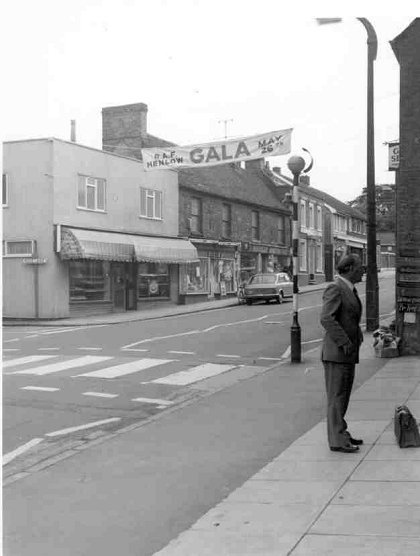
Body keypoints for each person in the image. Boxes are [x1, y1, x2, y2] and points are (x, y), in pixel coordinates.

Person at [320, 253, 365, 453]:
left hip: (346, 353)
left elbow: (349, 318)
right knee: (337, 397)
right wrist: (345, 341)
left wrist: (358, 337)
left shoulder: (349, 289)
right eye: (360, 267)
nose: (363, 270)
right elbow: (326, 318)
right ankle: (337, 440)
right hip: (337, 353)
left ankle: (341, 432)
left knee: (343, 396)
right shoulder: (335, 288)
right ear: (349, 269)